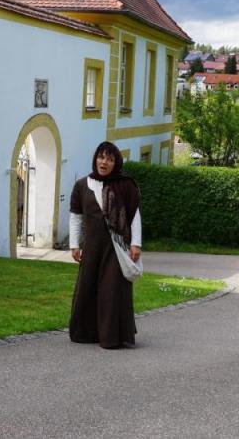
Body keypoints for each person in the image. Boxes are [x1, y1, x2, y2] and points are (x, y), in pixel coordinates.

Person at [68, 141, 142, 349]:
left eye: (110, 159)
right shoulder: (82, 185)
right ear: (95, 159)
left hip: (116, 247)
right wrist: (75, 245)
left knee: (112, 291)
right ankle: (86, 332)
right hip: (92, 247)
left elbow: (135, 215)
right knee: (88, 287)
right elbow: (76, 218)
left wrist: (136, 243)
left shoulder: (126, 185)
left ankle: (111, 336)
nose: (104, 162)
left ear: (115, 162)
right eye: (101, 157)